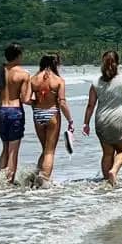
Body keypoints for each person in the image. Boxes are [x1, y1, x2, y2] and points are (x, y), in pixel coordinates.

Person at [83, 51, 122, 187]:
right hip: (119, 119)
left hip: (101, 120)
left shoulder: (96, 82)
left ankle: (108, 184)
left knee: (107, 153)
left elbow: (90, 105)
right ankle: (114, 170)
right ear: (117, 63)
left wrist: (86, 123)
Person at [0, 43, 30, 185]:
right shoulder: (23, 74)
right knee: (13, 151)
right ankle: (8, 184)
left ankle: (1, 179)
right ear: (18, 56)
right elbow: (25, 99)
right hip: (15, 111)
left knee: (5, 148)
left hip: (1, 110)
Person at [28, 53, 74, 186]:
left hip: (37, 115)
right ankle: (44, 182)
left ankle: (36, 176)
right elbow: (62, 103)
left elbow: (25, 99)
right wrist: (70, 120)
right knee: (49, 151)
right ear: (56, 64)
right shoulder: (59, 81)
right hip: (52, 114)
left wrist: (36, 104)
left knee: (45, 149)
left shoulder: (33, 79)